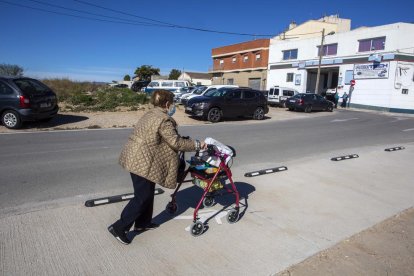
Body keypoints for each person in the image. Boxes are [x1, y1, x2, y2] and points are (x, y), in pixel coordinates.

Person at [108, 89, 206, 245]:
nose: (173, 107)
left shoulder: (150, 114)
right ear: (167, 104)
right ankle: (119, 228)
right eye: (173, 103)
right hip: (142, 161)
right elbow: (176, 142)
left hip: (136, 157)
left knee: (147, 192)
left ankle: (142, 224)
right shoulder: (164, 120)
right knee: (142, 196)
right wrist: (197, 144)